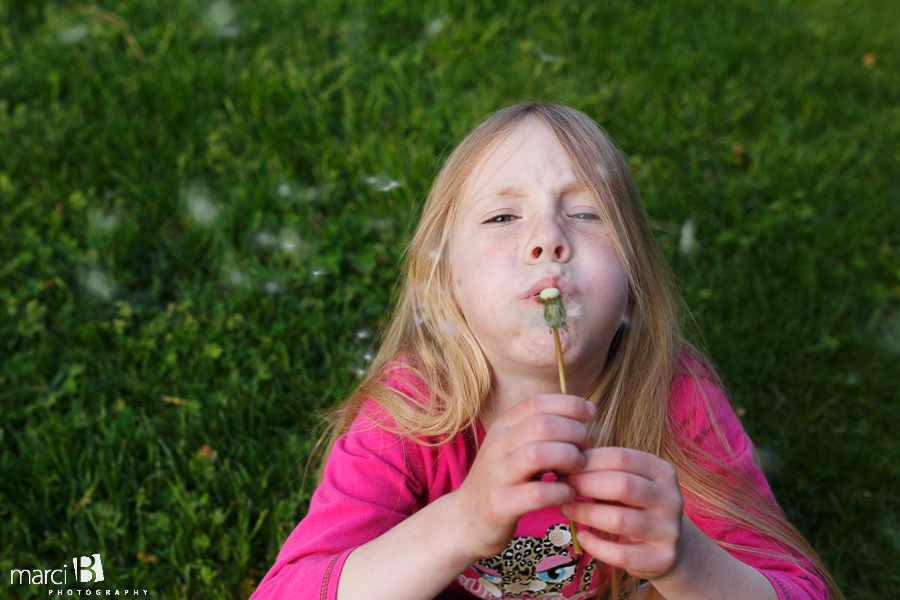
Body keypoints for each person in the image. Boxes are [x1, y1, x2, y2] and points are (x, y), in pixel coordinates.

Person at [249, 103, 842, 600]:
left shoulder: (674, 396)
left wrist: (688, 558)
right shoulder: (410, 414)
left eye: (586, 214)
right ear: (445, 280)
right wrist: (463, 521)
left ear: (634, 274)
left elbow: (799, 587)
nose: (548, 240)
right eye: (503, 216)